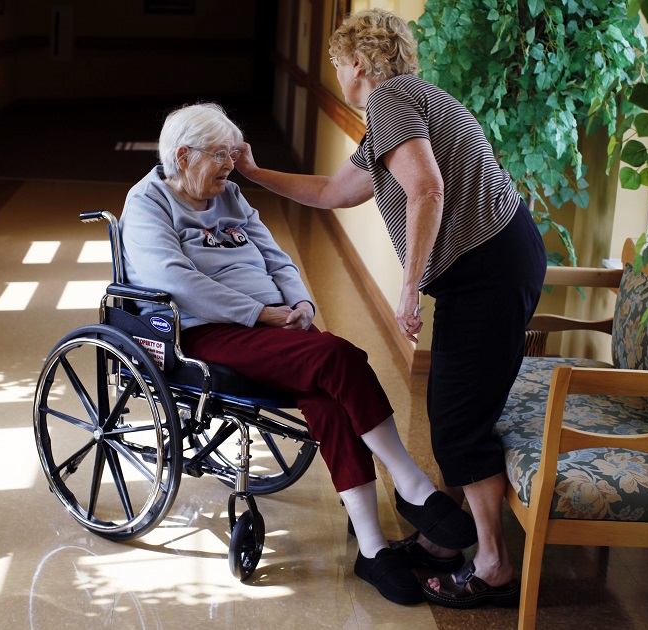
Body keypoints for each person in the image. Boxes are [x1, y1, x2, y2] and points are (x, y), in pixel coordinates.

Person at [235, 9, 547, 610]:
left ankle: (494, 566)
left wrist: (408, 288)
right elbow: (333, 192)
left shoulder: (389, 101)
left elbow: (426, 189)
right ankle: (439, 543)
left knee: (458, 418)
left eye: (337, 63)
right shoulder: (402, 107)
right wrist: (251, 173)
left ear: (355, 63)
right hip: (492, 265)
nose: (337, 74)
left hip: (488, 271)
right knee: (453, 404)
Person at [120, 102, 478, 606]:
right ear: (184, 155)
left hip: (274, 326)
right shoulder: (147, 202)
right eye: (220, 153)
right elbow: (174, 281)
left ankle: (372, 548)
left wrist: (301, 300)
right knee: (338, 358)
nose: (231, 163)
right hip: (209, 333)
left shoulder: (230, 194)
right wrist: (263, 314)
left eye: (233, 151)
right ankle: (410, 481)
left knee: (328, 396)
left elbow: (275, 255)